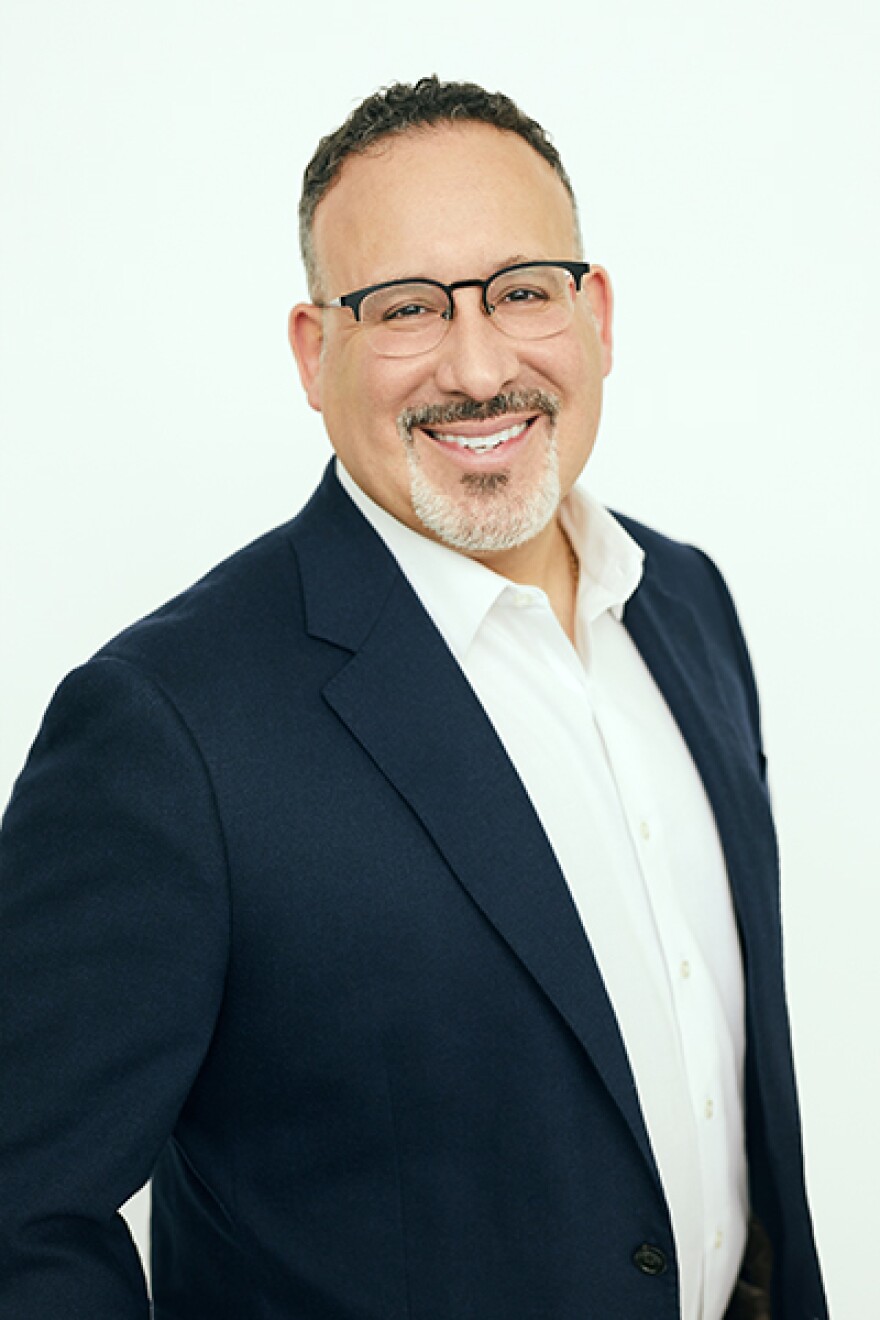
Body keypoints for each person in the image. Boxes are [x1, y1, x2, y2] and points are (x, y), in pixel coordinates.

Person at [0, 77, 827, 1320]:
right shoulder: (166, 729)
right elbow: (21, 1219)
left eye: (523, 291)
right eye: (403, 309)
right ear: (312, 351)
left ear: (593, 313)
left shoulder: (686, 606)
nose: (480, 364)